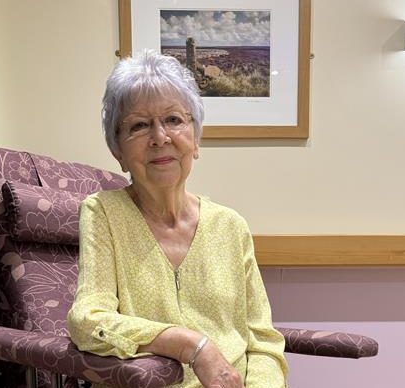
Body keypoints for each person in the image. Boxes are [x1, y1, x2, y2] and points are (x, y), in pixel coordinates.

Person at [67, 50, 287, 388]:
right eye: (139, 126)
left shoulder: (231, 226)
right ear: (118, 152)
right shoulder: (103, 213)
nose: (160, 137)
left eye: (173, 120)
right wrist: (191, 346)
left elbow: (263, 342)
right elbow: (87, 321)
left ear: (195, 139)